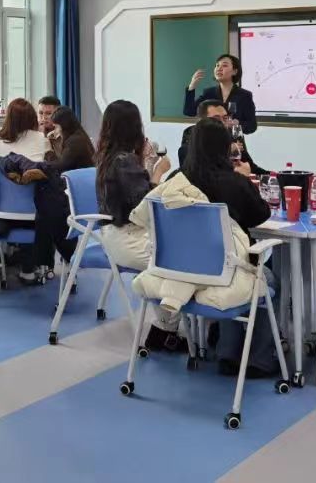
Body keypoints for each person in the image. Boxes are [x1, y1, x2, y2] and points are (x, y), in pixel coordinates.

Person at [131, 118, 275, 374]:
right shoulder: (234, 182)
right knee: (266, 278)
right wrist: (243, 178)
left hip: (180, 271)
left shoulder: (175, 181)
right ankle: (259, 359)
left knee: (226, 264)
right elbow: (261, 214)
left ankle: (227, 351)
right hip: (224, 272)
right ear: (225, 148)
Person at [93, 100, 174, 349]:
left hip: (117, 234)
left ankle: (168, 328)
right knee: (178, 263)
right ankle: (167, 328)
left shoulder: (111, 157)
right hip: (129, 237)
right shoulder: (124, 161)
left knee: (176, 260)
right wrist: (158, 173)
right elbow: (145, 206)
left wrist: (146, 166)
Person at [0, 99, 53, 281]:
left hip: (1, 215)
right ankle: (28, 269)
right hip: (35, 214)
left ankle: (0, 257)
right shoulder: (41, 139)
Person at [30, 106, 96, 278]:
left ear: (64, 125)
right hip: (78, 188)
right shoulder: (77, 137)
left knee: (45, 210)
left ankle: (49, 259)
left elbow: (60, 166)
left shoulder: (75, 142)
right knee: (45, 208)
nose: (56, 130)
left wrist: (47, 152)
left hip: (78, 194)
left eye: (58, 126)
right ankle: (52, 259)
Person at [179, 100, 265, 174]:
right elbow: (196, 170)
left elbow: (251, 167)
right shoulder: (191, 136)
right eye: (216, 119)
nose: (222, 123)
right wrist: (226, 150)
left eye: (225, 118)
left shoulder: (233, 136)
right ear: (201, 121)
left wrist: (271, 175)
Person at [184, 53, 257, 135]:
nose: (219, 68)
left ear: (234, 71)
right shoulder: (209, 93)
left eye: (224, 65)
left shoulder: (244, 95)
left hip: (234, 141)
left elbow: (252, 126)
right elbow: (189, 111)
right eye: (217, 65)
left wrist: (237, 124)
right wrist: (192, 87)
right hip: (210, 140)